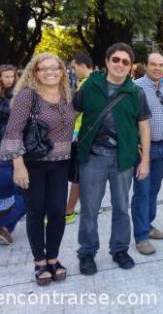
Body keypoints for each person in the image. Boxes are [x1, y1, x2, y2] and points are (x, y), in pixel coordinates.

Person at [74, 42, 151, 275]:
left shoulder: (136, 92)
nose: (120, 64)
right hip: (93, 159)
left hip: (123, 159)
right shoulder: (90, 86)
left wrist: (145, 159)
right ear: (107, 62)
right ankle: (87, 252)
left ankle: (119, 249)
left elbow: (144, 127)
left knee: (121, 207)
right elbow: (72, 113)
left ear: (131, 67)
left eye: (125, 62)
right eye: (115, 59)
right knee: (89, 209)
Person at [0, 53, 77, 286]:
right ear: (35, 72)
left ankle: (53, 257)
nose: (50, 72)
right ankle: (40, 262)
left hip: (61, 164)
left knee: (57, 211)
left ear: (63, 71)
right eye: (43, 68)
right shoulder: (27, 96)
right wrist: (18, 165)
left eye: (55, 68)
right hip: (33, 165)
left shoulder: (67, 95)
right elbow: (12, 132)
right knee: (35, 213)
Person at [132, 53, 163, 255]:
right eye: (153, 64)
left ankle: (147, 225)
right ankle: (140, 237)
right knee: (142, 193)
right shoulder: (136, 87)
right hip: (143, 150)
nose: (158, 68)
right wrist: (135, 142)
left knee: (153, 191)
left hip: (162, 147)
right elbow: (129, 117)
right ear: (145, 66)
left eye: (161, 65)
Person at [65, 54, 93, 225]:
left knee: (77, 176)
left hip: (81, 137)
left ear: (83, 66)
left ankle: (68, 211)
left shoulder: (86, 85)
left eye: (74, 68)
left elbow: (75, 113)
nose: (73, 72)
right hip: (85, 136)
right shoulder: (95, 82)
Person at [0, 65, 26, 246]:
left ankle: (5, 226)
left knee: (23, 193)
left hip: (15, 151)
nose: (10, 79)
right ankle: (5, 227)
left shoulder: (18, 95)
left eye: (12, 76)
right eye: (6, 76)